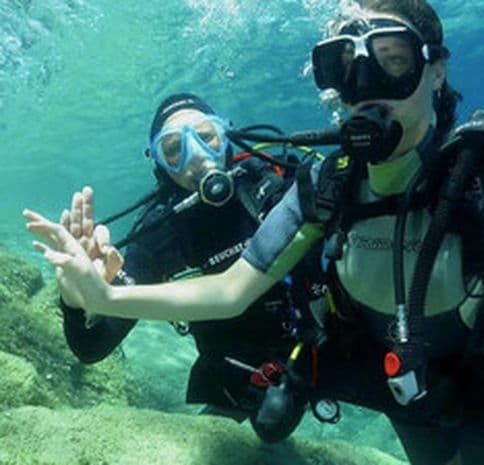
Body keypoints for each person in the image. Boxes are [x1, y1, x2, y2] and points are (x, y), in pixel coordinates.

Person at [24, 2, 484, 465]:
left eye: (393, 62)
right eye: (346, 68)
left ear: (436, 71)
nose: (367, 88)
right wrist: (102, 297)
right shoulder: (324, 183)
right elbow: (229, 290)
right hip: (407, 394)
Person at [54, 93, 329, 441]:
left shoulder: (276, 186)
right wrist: (75, 299)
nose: (196, 155)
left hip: (327, 344)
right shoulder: (161, 234)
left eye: (206, 135)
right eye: (174, 148)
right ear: (160, 165)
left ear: (226, 136)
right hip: (243, 372)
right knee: (270, 427)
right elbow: (90, 347)